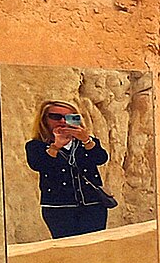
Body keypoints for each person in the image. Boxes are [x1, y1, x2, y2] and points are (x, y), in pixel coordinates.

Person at [25, 100, 115, 239]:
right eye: (56, 117)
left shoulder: (87, 142)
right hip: (59, 208)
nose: (62, 121)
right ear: (44, 119)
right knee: (67, 246)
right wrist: (56, 146)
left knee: (93, 245)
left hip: (92, 204)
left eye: (69, 117)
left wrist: (86, 140)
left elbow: (101, 158)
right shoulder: (36, 145)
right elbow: (39, 165)